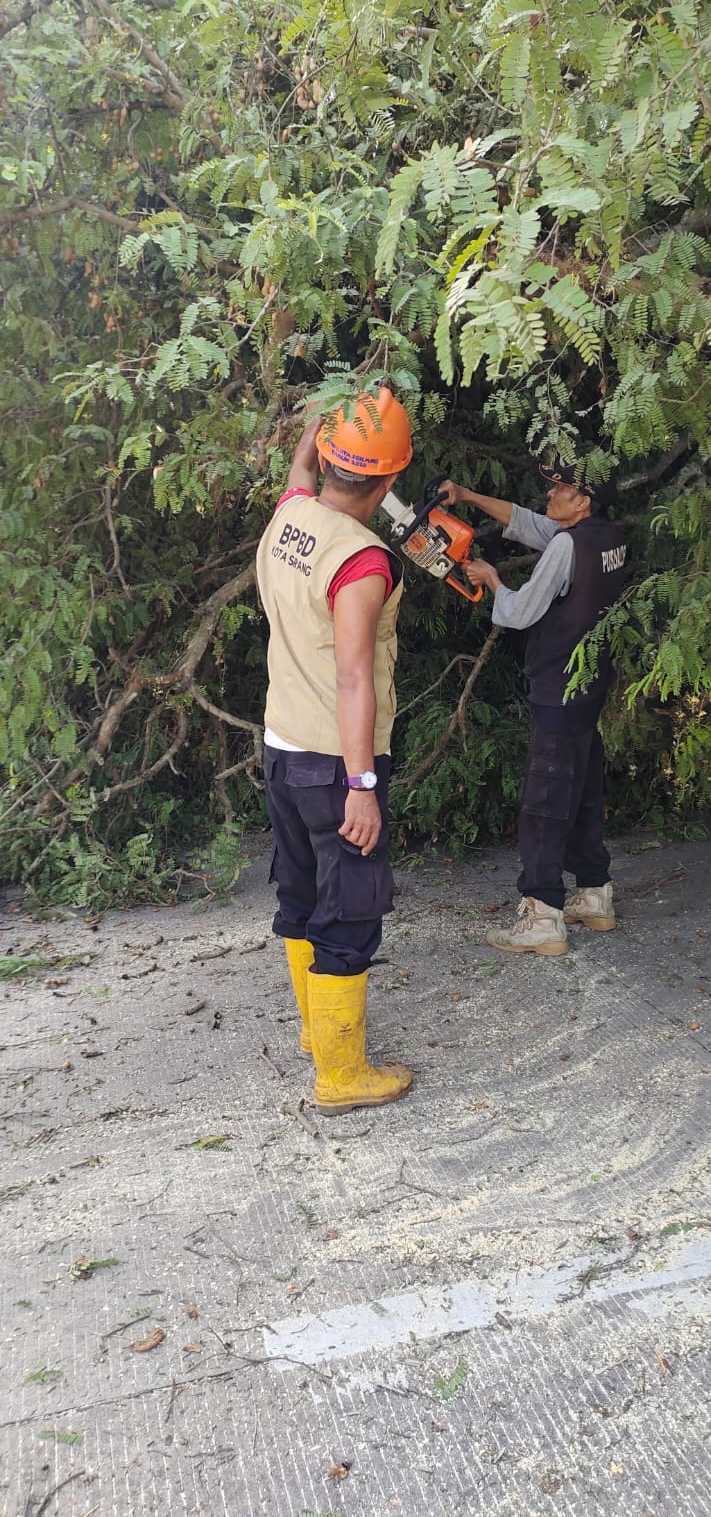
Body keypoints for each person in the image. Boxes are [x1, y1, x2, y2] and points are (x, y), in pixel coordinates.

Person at [255, 388, 414, 1113]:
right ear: (387, 484)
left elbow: (296, 470)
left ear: (323, 460)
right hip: (332, 761)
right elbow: (355, 677)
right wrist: (362, 784)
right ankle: (341, 1076)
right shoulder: (362, 561)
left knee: (300, 894)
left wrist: (314, 431)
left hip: (281, 748)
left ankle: (317, 1036)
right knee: (347, 909)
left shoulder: (291, 514)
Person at [439, 464, 626, 957]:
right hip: (589, 682)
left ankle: (543, 913)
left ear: (582, 502)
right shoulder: (605, 536)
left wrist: (493, 580)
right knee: (584, 788)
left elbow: (522, 612)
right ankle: (595, 893)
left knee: (543, 802)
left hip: (559, 682)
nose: (552, 492)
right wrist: (465, 492)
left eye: (563, 488)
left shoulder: (568, 546)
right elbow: (528, 522)